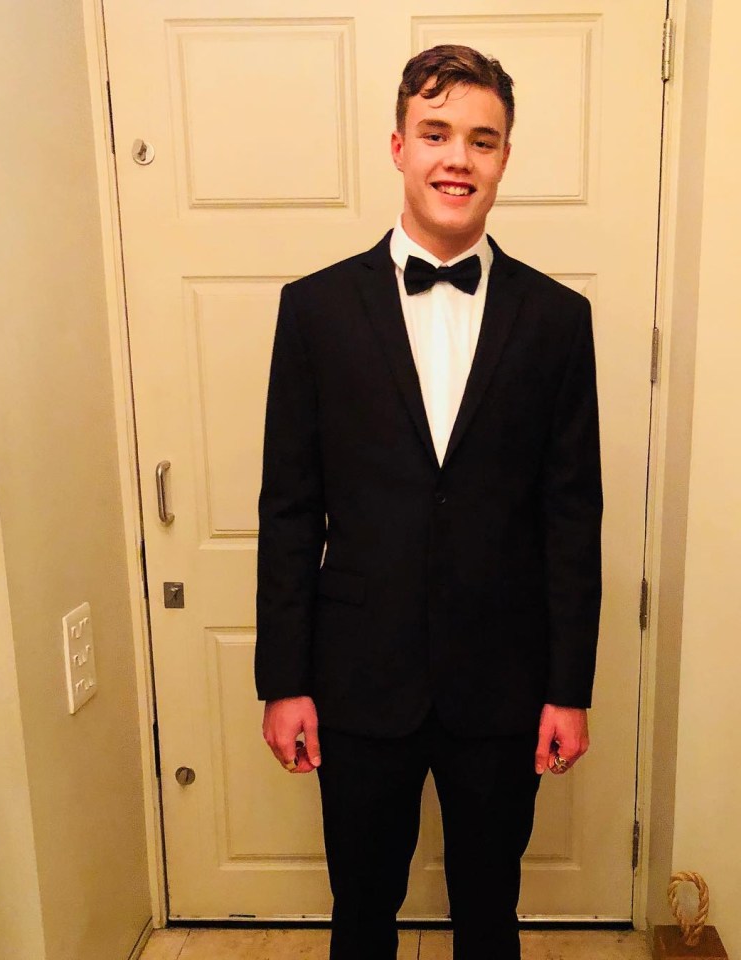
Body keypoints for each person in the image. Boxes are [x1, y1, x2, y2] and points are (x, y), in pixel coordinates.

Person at [255, 44, 602, 960]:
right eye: (438, 134)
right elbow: (290, 510)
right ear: (399, 145)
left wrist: (570, 689)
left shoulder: (561, 322)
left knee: (490, 913)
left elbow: (573, 517)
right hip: (359, 677)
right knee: (361, 911)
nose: (459, 158)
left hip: (504, 679)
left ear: (505, 158)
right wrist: (283, 679)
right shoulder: (316, 311)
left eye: (482, 140)